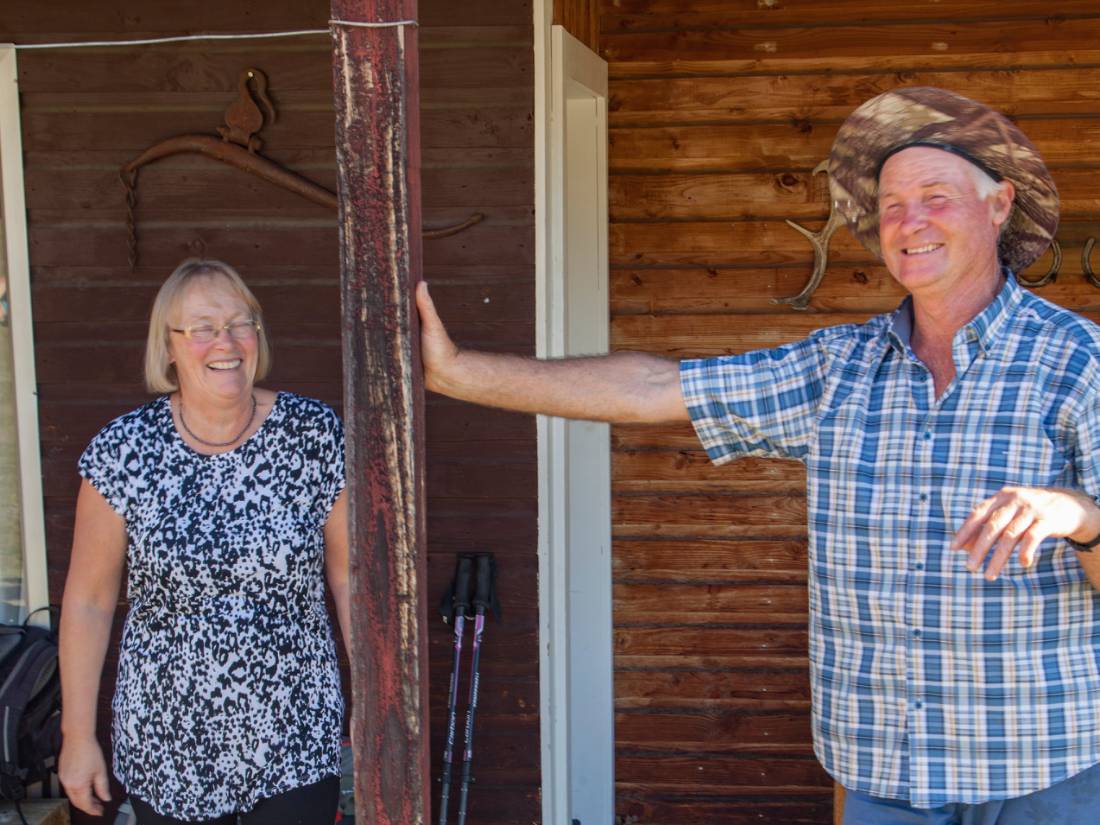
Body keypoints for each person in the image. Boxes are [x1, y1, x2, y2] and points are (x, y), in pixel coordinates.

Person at [416, 87, 1100, 824]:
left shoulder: (1078, 363)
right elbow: (656, 388)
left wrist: (1079, 514)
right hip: (883, 773)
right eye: (893, 205)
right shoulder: (839, 367)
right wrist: (460, 372)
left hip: (1044, 768)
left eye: (936, 196)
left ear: (998, 206)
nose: (910, 222)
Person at [57, 259, 349, 825]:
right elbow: (88, 603)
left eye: (242, 324)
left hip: (294, 725)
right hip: (167, 738)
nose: (228, 342)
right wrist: (76, 737)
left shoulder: (314, 434)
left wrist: (373, 701)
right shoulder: (124, 451)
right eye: (202, 328)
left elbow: (348, 577)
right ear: (167, 347)